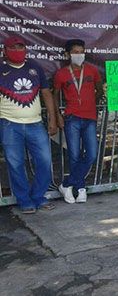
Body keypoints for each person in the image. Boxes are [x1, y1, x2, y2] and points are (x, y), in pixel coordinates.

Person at [0, 36, 58, 213]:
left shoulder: (34, 67)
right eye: (13, 48)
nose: (18, 51)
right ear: (5, 50)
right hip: (9, 124)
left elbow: (46, 93)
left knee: (44, 161)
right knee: (15, 163)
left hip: (35, 124)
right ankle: (24, 200)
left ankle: (39, 196)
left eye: (21, 47)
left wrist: (53, 119)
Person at [54, 39, 103, 204]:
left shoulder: (92, 70)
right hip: (72, 118)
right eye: (75, 52)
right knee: (74, 155)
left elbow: (99, 88)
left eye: (81, 51)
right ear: (67, 54)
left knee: (91, 154)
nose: (79, 55)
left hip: (90, 118)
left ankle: (66, 184)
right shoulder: (61, 74)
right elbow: (54, 96)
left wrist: (91, 103)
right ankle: (80, 189)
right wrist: (58, 116)